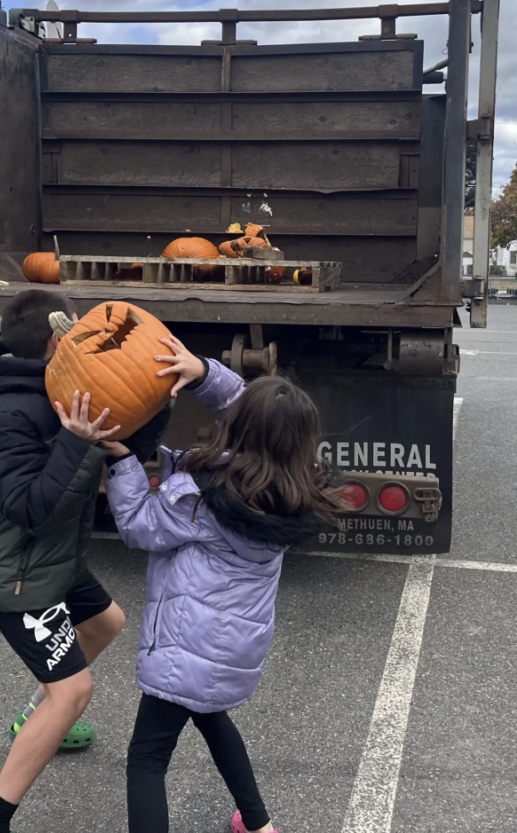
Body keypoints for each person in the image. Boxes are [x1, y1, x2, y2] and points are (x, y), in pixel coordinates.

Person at [103, 334, 347, 833]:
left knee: (147, 759)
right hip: (231, 649)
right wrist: (206, 372)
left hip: (185, 650)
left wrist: (121, 461)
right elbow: (259, 414)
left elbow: (136, 524)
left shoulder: (203, 500)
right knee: (212, 717)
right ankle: (257, 824)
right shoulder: (291, 489)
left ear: (239, 430)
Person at [0, 289, 170, 833]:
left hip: (52, 558)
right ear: (56, 341)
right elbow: (28, 510)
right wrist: (75, 444)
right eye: (74, 331)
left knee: (106, 622)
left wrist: (159, 398)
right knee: (73, 691)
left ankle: (36, 713)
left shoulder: (63, 387)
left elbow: (118, 441)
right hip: (16, 572)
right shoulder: (8, 414)